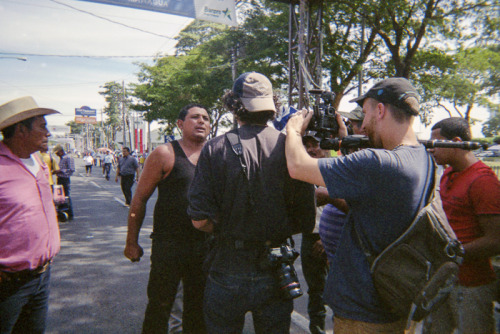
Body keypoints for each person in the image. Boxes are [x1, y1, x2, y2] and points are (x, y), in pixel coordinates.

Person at [285, 77, 431, 333]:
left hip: (364, 312)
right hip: (394, 300)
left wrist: (294, 130)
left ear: (381, 110)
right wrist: (345, 141)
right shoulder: (424, 159)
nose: (362, 125)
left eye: (365, 114)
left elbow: (298, 167)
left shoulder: (378, 163)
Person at [188, 72, 315, 333]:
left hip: (227, 266)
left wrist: (228, 228)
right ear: (271, 106)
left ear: (234, 106)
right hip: (276, 268)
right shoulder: (292, 149)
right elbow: (307, 220)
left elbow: (199, 219)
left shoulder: (214, 148)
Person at [124, 104, 211, 334]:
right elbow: (139, 199)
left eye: (206, 118)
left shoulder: (215, 156)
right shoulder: (165, 153)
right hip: (169, 245)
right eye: (195, 117)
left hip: (204, 246)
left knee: (198, 309)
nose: (201, 121)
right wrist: (131, 242)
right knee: (160, 306)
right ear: (180, 124)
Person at [423, 117, 500, 334]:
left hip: (472, 284)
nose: (431, 149)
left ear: (456, 141)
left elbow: (496, 240)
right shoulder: (448, 173)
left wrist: (453, 254)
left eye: (436, 143)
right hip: (444, 278)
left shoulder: (483, 181)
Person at [0, 96, 61, 333]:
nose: (47, 132)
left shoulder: (38, 161)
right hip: (8, 284)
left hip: (41, 276)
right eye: (42, 126)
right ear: (21, 130)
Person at [300, 133, 330, 334]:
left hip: (335, 238)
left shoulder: (342, 168)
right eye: (307, 145)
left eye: (316, 144)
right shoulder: (300, 173)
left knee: (342, 292)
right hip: (310, 238)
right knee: (316, 292)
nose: (311, 150)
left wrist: (326, 239)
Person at [53, 144, 75, 220]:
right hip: (60, 178)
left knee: (66, 196)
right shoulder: (61, 158)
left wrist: (60, 171)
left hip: (65, 179)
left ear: (61, 152)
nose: (57, 155)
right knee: (60, 197)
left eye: (57, 153)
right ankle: (62, 212)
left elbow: (71, 169)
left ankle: (70, 213)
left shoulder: (68, 158)